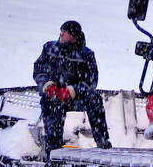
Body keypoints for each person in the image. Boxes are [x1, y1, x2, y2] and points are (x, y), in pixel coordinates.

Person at [33, 20, 111, 158]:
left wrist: (71, 90)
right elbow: (39, 70)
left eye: (65, 31)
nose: (61, 33)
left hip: (77, 96)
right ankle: (53, 151)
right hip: (54, 95)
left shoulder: (86, 54)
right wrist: (47, 86)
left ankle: (103, 143)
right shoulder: (49, 48)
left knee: (94, 100)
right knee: (50, 106)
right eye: (61, 30)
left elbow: (91, 81)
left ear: (73, 35)